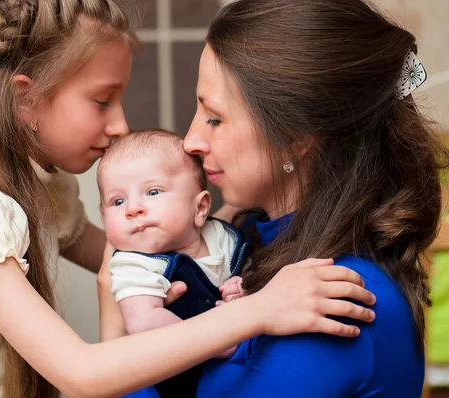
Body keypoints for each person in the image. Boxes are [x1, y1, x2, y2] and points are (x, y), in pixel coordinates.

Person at [0, 1, 377, 397]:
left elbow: (148, 249)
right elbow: (81, 373)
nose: (121, 123)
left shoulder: (46, 194)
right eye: (102, 100)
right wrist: (260, 310)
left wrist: (212, 241)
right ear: (24, 98)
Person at [109, 0, 447, 397]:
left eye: (215, 118)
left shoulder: (333, 299)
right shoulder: (253, 246)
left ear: (295, 139)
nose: (192, 140)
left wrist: (116, 320)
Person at [98, 129, 244, 396]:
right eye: (117, 201)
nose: (133, 208)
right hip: (173, 384)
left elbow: (251, 272)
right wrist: (218, 338)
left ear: (199, 208)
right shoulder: (133, 264)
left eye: (153, 192)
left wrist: (242, 289)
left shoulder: (222, 236)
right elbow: (143, 321)